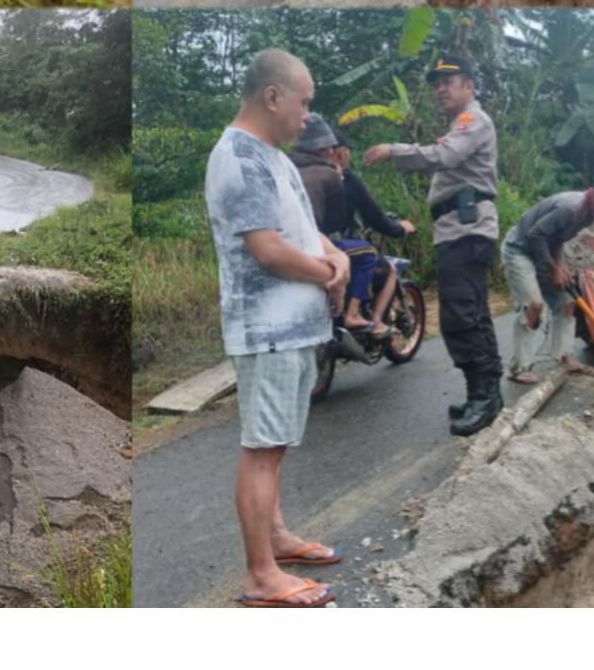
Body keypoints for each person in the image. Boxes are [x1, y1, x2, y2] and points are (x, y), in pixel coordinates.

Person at [204, 50, 351, 609]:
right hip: (266, 329)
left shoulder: (275, 157)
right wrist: (328, 275)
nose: (307, 115)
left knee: (278, 442)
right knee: (262, 448)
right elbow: (267, 249)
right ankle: (262, 576)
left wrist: (335, 259)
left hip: (293, 328)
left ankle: (279, 537)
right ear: (273, 96)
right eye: (304, 101)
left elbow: (305, 231)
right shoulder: (239, 157)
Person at [364, 56, 504, 437]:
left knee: (460, 314)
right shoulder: (463, 124)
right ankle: (487, 392)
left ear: (469, 85)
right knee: (473, 311)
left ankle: (483, 396)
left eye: (449, 81)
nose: (441, 88)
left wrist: (394, 149)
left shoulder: (472, 121)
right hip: (460, 228)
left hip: (465, 230)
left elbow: (443, 156)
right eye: (437, 83)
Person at [501, 165, 594, 384]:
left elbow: (558, 238)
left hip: (542, 249)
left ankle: (565, 356)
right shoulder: (572, 207)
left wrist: (560, 266)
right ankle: (518, 368)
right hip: (520, 249)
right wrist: (553, 269)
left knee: (567, 301)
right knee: (533, 305)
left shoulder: (590, 213)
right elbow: (536, 236)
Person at [293, 114, 415, 337]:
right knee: (377, 260)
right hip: (322, 243)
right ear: (336, 151)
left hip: (292, 244)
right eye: (345, 150)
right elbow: (366, 218)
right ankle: (362, 317)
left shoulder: (290, 168)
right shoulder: (337, 176)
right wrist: (399, 229)